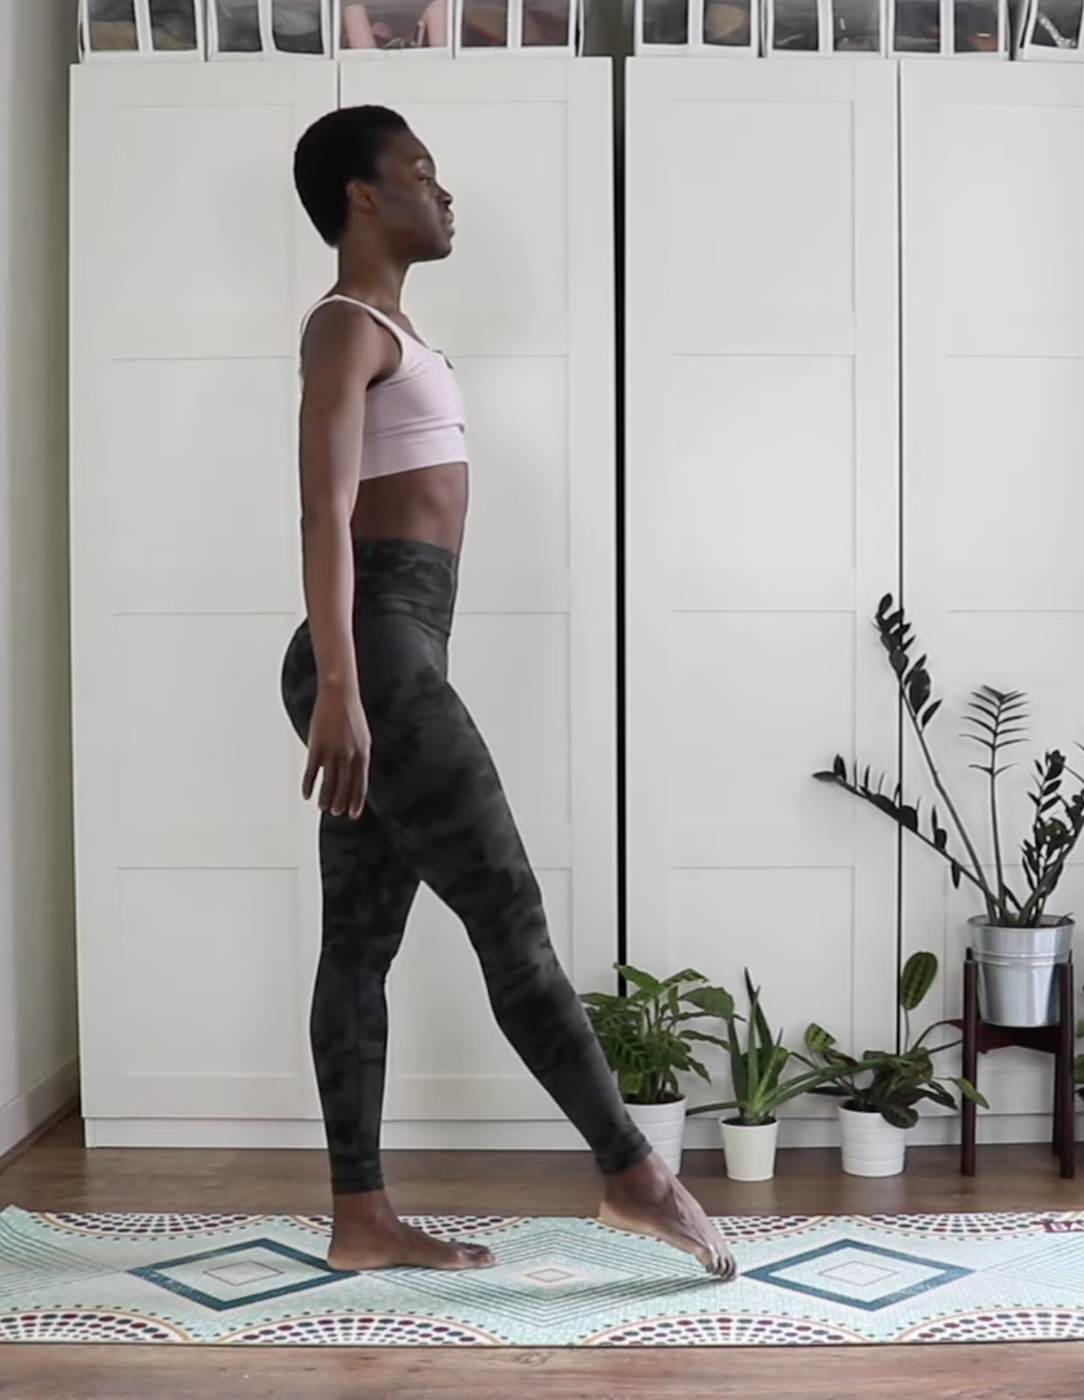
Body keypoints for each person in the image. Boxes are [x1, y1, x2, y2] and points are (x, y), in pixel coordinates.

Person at [278, 105, 735, 1280]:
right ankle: (635, 1173)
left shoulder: (390, 328)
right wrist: (342, 686)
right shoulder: (344, 325)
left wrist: (355, 675)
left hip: (393, 651)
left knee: (359, 941)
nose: (445, 194)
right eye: (420, 173)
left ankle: (360, 1216)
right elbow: (324, 510)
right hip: (373, 654)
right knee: (510, 920)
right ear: (362, 196)